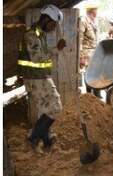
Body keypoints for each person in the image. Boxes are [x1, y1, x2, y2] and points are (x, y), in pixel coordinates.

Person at [18, 5, 66, 151]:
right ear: (45, 19)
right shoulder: (31, 35)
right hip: (35, 79)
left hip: (41, 77)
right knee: (56, 107)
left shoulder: (41, 35)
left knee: (45, 110)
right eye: (53, 24)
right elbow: (37, 58)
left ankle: (46, 141)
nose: (53, 28)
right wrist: (57, 49)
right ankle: (33, 137)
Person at [79, 4, 99, 81]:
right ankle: (89, 92)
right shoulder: (83, 21)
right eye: (96, 9)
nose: (97, 11)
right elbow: (80, 39)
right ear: (92, 10)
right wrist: (81, 57)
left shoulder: (93, 21)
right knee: (88, 75)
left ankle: (96, 92)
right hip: (86, 53)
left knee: (95, 74)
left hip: (94, 53)